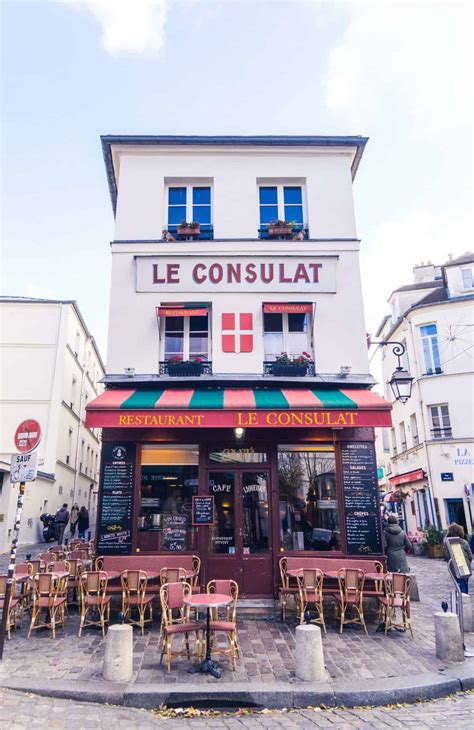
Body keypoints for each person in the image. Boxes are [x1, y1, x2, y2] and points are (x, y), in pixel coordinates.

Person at [443, 523, 472, 594]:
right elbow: (470, 556)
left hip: (454, 567)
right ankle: (465, 597)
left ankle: (463, 599)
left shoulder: (447, 543)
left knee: (460, 583)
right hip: (465, 566)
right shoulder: (464, 542)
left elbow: (446, 556)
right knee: (465, 582)